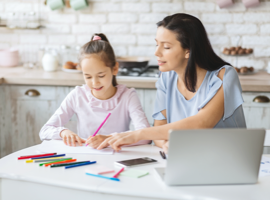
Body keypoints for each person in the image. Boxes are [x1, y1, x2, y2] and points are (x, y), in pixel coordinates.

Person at [97, 13, 246, 152]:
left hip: (229, 159)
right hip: (190, 159)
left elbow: (203, 122)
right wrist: (167, 145)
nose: (156, 52)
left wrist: (138, 134)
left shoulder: (224, 75)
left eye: (166, 46)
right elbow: (160, 130)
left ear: (188, 50)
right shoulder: (166, 78)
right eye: (157, 44)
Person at [39, 33, 150, 148]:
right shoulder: (78, 95)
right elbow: (45, 131)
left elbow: (146, 136)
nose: (94, 83)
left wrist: (109, 139)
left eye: (101, 75)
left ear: (115, 69)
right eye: (88, 76)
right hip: (86, 158)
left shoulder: (128, 96)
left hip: (116, 159)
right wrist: (62, 132)